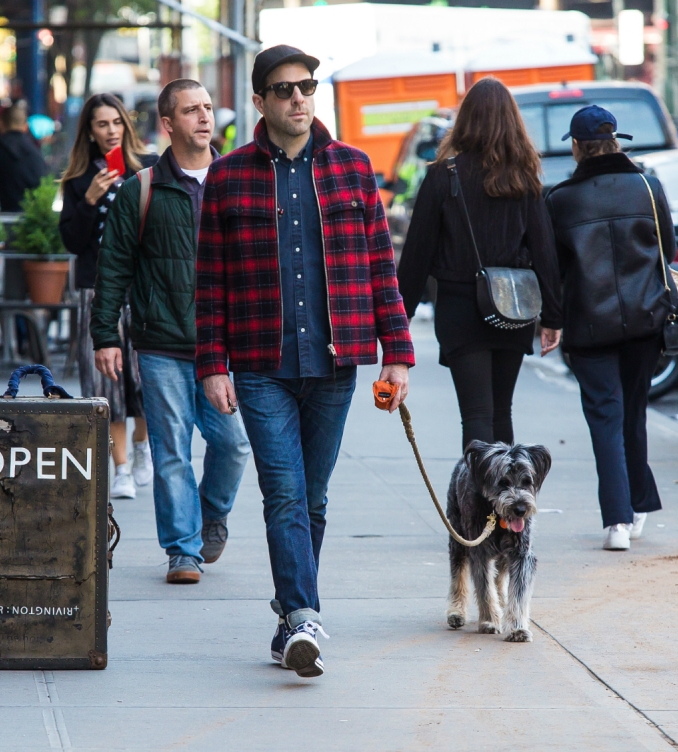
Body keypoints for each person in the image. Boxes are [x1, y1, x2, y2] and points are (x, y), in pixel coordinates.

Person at [196, 45, 415, 677]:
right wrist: (212, 363)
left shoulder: (353, 169)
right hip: (261, 363)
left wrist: (396, 354)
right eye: (285, 89)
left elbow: (381, 270)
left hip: (336, 362)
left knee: (313, 499)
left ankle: (291, 615)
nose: (299, 98)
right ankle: (303, 616)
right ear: (260, 102)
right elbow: (209, 283)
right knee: (284, 495)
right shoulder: (230, 176)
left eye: (307, 87)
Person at [92, 79, 251, 583]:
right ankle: (182, 550)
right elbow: (113, 266)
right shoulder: (141, 189)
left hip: (224, 348)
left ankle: (212, 516)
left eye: (207, 108)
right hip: (162, 344)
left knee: (232, 444)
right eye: (191, 110)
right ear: (167, 123)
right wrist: (105, 336)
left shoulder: (239, 182)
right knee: (171, 453)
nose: (204, 117)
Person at [397, 78, 563, 451]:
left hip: (459, 310)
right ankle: (504, 509)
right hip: (514, 308)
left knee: (475, 414)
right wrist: (553, 316)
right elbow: (544, 250)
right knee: (501, 413)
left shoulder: (443, 175)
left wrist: (398, 321)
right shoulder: (524, 177)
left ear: (465, 120)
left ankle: (480, 509)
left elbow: (416, 255)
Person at [544, 105, 673, 551]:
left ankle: (617, 522)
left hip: (589, 326)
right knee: (633, 413)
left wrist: (551, 323)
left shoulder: (559, 200)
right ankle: (637, 509)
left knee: (605, 417)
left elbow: (552, 271)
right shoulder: (647, 187)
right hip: (645, 320)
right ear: (617, 141)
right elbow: (667, 251)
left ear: (577, 147)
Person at [59, 93, 156, 499]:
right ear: (90, 131)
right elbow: (71, 240)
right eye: (102, 124)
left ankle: (141, 445)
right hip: (96, 288)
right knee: (106, 380)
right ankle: (121, 470)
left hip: (145, 285)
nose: (111, 130)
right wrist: (89, 200)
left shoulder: (148, 168)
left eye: (116, 122)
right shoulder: (79, 180)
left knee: (147, 375)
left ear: (126, 125)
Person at [0, 102, 47, 211]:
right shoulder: (35, 149)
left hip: (6, 214)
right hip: (32, 215)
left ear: (1, 123)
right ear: (25, 125)